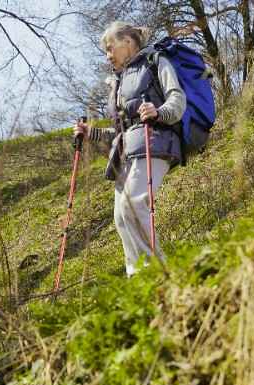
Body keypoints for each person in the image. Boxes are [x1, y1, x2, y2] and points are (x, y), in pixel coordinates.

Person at [74, 21, 185, 276]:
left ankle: (158, 272)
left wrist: (158, 112)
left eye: (110, 48)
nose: (107, 55)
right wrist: (92, 133)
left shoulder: (155, 61)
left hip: (156, 141)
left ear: (127, 42)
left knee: (132, 205)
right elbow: (122, 130)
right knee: (121, 216)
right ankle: (136, 276)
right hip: (127, 152)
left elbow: (177, 100)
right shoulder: (118, 81)